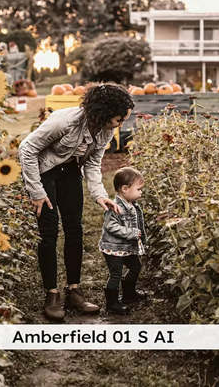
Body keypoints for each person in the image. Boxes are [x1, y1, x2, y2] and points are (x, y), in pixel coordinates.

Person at [18, 83, 134, 321]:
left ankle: (74, 290)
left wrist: (99, 194)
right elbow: (27, 148)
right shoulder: (65, 121)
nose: (120, 124)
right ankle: (52, 294)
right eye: (119, 118)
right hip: (45, 173)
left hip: (70, 171)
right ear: (103, 112)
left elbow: (92, 163)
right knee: (48, 231)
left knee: (75, 230)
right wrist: (37, 191)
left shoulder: (104, 130)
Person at [98, 167, 148, 314]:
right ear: (125, 189)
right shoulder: (115, 207)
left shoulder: (132, 205)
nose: (141, 192)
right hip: (113, 248)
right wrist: (130, 233)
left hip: (126, 247)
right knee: (116, 274)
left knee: (135, 266)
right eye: (139, 189)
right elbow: (110, 226)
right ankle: (112, 303)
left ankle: (129, 294)